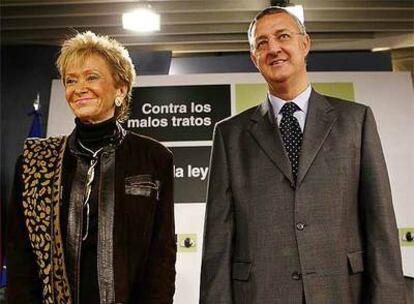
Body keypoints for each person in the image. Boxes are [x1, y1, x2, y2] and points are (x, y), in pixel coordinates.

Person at [200, 6, 406, 304]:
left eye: (282, 36)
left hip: (343, 292)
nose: (273, 48)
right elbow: (217, 242)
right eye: (261, 43)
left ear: (304, 44)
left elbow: (380, 223)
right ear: (254, 58)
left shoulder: (356, 121)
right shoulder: (230, 134)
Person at [7, 31, 176, 304]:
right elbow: (20, 256)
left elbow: (161, 255)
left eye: (92, 77)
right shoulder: (34, 161)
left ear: (120, 88)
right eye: (70, 80)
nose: (79, 87)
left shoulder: (154, 158)